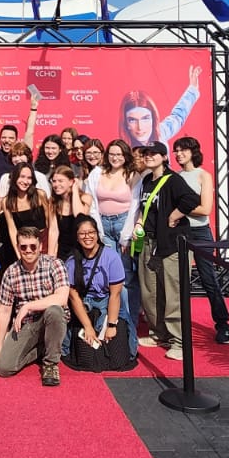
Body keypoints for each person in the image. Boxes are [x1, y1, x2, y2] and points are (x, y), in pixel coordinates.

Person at [134, 141, 202, 361]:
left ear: (164, 157)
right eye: (146, 153)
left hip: (171, 245)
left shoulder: (173, 180)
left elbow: (192, 199)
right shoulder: (146, 180)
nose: (149, 156)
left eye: (154, 153)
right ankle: (158, 334)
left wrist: (175, 215)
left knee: (173, 294)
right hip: (148, 243)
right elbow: (145, 209)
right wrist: (138, 224)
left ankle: (180, 342)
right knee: (150, 293)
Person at [173, 137, 229, 344]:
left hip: (200, 233)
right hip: (179, 233)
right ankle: (178, 328)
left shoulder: (203, 176)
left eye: (183, 150)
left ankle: (223, 324)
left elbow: (206, 209)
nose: (179, 154)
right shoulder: (175, 177)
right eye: (176, 151)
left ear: (193, 151)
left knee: (209, 279)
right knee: (178, 282)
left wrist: (180, 209)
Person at [0, 226, 70, 386]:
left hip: (52, 319)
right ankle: (41, 349)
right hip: (27, 324)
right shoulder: (11, 272)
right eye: (23, 247)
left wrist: (28, 306)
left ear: (40, 246)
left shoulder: (55, 264)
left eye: (33, 246)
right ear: (18, 247)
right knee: (4, 368)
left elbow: (62, 298)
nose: (28, 250)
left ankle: (50, 363)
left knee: (54, 311)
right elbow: (5, 310)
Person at [93, 139, 142, 356]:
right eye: (112, 153)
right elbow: (93, 202)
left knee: (127, 277)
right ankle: (113, 319)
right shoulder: (97, 173)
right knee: (111, 277)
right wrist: (98, 232)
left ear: (126, 156)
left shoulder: (133, 175)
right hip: (103, 225)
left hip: (124, 226)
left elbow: (136, 206)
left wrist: (126, 236)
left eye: (119, 154)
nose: (115, 157)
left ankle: (130, 322)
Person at [62, 217, 128, 369]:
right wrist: (88, 327)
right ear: (77, 237)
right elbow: (74, 297)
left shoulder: (112, 257)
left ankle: (131, 344)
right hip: (84, 303)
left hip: (107, 300)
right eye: (82, 234)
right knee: (86, 355)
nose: (87, 237)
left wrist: (111, 324)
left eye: (91, 232)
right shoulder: (71, 262)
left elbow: (115, 294)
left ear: (97, 234)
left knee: (118, 354)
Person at [119, 66, 202, 147]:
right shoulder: (122, 150)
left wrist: (192, 90)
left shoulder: (161, 132)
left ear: (153, 119)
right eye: (132, 120)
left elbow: (178, 116)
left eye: (145, 118)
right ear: (126, 124)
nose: (140, 127)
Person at [0, 85, 40, 183]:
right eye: (4, 137)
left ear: (16, 140)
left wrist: (33, 109)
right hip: (0, 196)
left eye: (11, 138)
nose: (7, 140)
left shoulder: (23, 155)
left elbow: (30, 131)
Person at [0, 162, 50, 267]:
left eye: (29, 178)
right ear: (15, 177)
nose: (25, 181)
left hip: (42, 244)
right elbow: (12, 230)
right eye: (22, 177)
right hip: (24, 247)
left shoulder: (40, 195)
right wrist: (19, 254)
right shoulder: (7, 201)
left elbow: (50, 222)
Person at [49, 163, 94, 263]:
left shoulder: (85, 198)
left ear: (71, 182)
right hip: (63, 249)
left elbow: (80, 217)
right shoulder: (53, 202)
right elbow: (53, 231)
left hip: (80, 248)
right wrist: (51, 257)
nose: (56, 185)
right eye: (54, 181)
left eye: (61, 181)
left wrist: (75, 190)